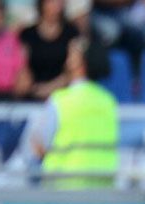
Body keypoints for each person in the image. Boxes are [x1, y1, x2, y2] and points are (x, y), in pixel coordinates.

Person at [33, 37, 118, 189]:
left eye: (72, 54)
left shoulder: (60, 100)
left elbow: (39, 145)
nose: (67, 58)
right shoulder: (109, 101)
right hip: (103, 184)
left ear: (80, 63)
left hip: (64, 186)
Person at [20, 0, 81, 100]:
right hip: (32, 95)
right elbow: (22, 68)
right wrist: (33, 89)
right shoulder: (27, 34)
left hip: (63, 95)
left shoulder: (71, 32)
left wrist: (49, 88)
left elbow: (73, 68)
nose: (56, 5)